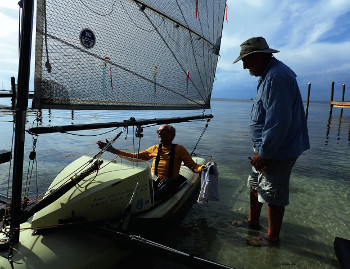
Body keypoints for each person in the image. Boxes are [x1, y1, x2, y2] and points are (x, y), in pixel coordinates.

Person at [231, 37, 310, 245]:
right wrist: (260, 150)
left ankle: (272, 238)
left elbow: (279, 122)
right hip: (265, 148)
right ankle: (253, 223)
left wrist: (264, 153)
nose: (244, 66)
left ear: (259, 56)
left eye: (246, 60)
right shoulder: (269, 74)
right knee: (255, 185)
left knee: (273, 193)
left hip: (277, 150)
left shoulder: (277, 77)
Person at [97, 124, 203, 201]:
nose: (159, 132)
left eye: (163, 130)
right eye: (158, 131)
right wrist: (112, 150)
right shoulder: (155, 148)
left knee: (152, 198)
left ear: (172, 134)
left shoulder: (179, 149)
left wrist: (204, 168)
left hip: (170, 182)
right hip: (153, 180)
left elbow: (193, 166)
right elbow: (135, 157)